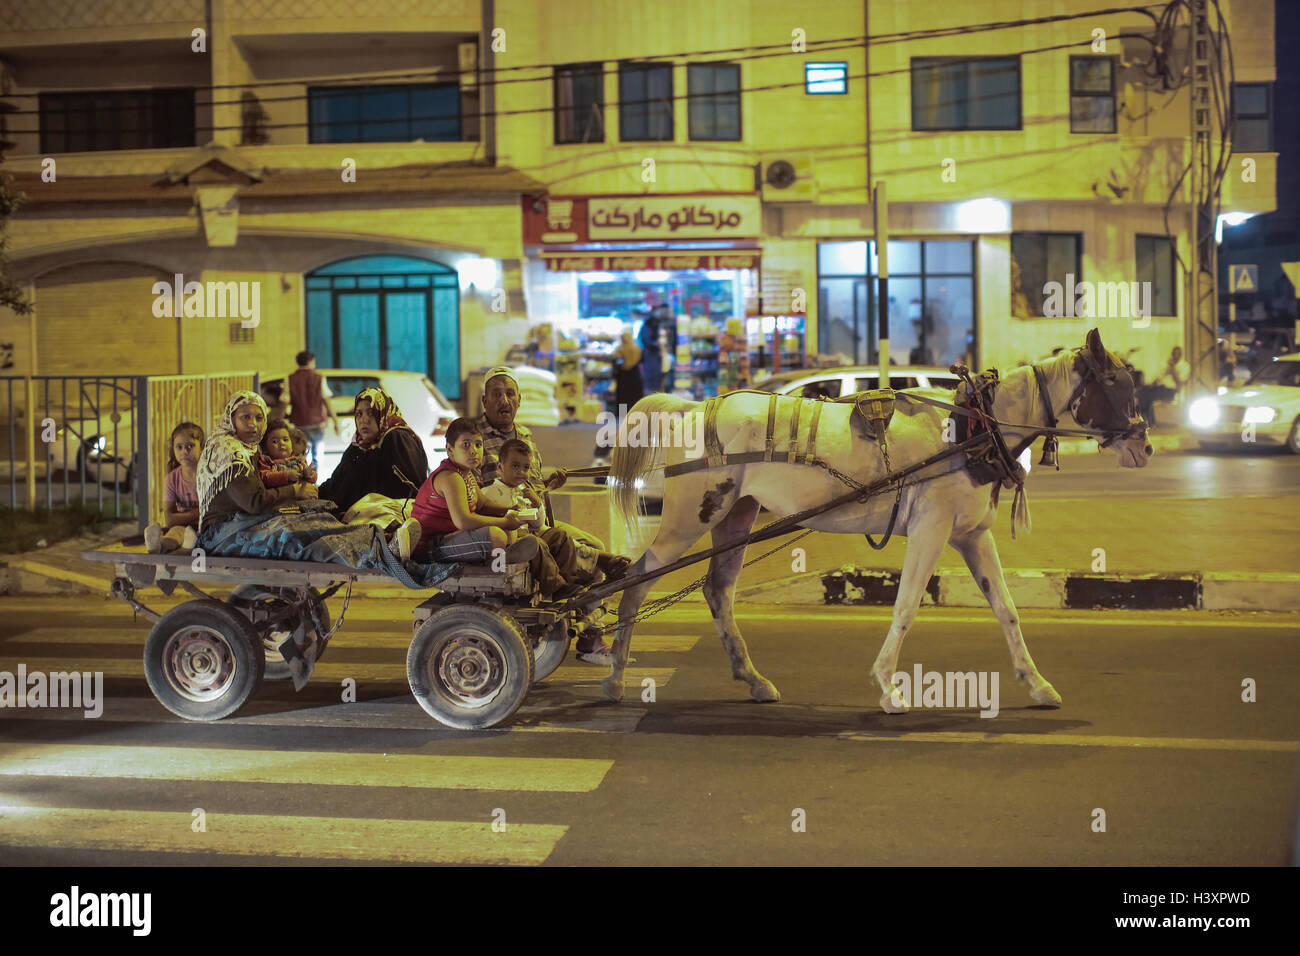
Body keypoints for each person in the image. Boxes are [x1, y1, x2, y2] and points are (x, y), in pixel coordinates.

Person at [196, 390, 422, 567]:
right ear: (230, 418)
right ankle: (379, 550)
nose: (253, 424)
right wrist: (295, 492)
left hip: (241, 522)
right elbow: (253, 502)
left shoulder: (246, 449)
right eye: (245, 417)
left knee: (315, 517)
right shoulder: (228, 450)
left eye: (258, 418)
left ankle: (385, 539)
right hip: (223, 532)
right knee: (294, 534)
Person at [411, 419, 579, 598]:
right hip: (434, 547)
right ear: (450, 450)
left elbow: (482, 504)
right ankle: (545, 581)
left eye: (478, 444)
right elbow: (464, 520)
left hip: (454, 538)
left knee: (557, 536)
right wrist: (505, 521)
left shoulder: (466, 474)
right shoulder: (450, 477)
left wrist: (511, 508)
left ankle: (567, 588)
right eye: (465, 445)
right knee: (498, 534)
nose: (474, 451)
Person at [483, 437, 630, 582]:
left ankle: (579, 586)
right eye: (515, 466)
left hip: (535, 530)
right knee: (553, 541)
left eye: (526, 467)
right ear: (500, 467)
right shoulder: (489, 493)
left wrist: (536, 503)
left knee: (563, 536)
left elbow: (538, 524)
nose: (521, 472)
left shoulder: (523, 490)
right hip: (515, 538)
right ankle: (596, 563)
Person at [318, 387, 428, 512]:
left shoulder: (396, 438)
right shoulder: (360, 444)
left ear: (383, 413)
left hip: (392, 520)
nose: (364, 420)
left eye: (371, 413)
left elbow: (407, 491)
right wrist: (314, 491)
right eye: (359, 414)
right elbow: (339, 480)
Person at [144, 421, 203, 554]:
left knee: (201, 535)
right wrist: (197, 513)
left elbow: (213, 514)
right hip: (182, 527)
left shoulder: (209, 475)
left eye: (190, 446)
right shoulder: (171, 479)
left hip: (205, 527)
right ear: (173, 449)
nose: (184, 451)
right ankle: (156, 546)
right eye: (179, 447)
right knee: (175, 533)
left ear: (202, 447)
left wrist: (183, 516)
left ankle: (184, 549)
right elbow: (169, 519)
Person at [288, 350, 339, 466]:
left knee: (301, 453)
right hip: (317, 423)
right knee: (317, 454)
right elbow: (326, 400)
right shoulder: (319, 378)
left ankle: (303, 476)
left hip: (299, 423)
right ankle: (315, 478)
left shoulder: (290, 379)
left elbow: (284, 401)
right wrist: (335, 421)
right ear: (311, 362)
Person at [1137, 346, 1191, 425]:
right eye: (1173, 354)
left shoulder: (1185, 366)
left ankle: (1151, 422)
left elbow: (1179, 383)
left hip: (1171, 390)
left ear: (1180, 355)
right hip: (1160, 387)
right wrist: (1151, 384)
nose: (1174, 356)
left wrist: (1172, 369)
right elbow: (1159, 376)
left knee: (1148, 396)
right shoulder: (1167, 364)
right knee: (1141, 393)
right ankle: (1145, 419)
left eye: (1177, 354)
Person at [259, 418, 317, 487]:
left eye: (285, 440)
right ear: (265, 447)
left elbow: (313, 479)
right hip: (284, 496)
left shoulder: (299, 459)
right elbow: (265, 478)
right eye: (275, 441)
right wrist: (286, 475)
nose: (282, 443)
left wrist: (309, 474)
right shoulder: (267, 461)